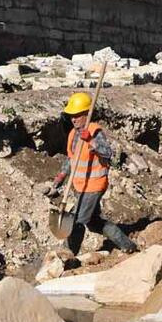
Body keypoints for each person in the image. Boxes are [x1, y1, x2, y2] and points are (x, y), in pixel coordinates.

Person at [49, 92, 137, 254]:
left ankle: (67, 255)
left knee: (77, 221)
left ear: (86, 114)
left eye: (77, 115)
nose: (74, 119)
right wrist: (60, 177)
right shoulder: (72, 134)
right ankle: (127, 245)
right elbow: (71, 159)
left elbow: (108, 153)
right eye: (72, 116)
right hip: (80, 186)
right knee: (94, 222)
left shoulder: (95, 132)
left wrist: (90, 140)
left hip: (94, 185)